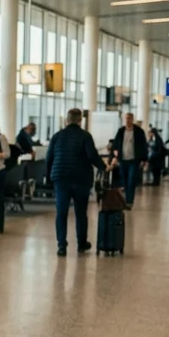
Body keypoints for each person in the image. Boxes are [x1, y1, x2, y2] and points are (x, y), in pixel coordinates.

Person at [46, 109, 108, 256]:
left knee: (61, 212)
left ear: (66, 120)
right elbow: (92, 155)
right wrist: (103, 167)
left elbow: (49, 158)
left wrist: (49, 176)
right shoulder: (85, 136)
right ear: (80, 121)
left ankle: (61, 245)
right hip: (81, 179)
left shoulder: (57, 136)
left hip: (61, 178)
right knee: (81, 212)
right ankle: (81, 243)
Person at [109, 112, 149, 209]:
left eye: (130, 119)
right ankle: (126, 200)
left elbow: (143, 146)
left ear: (132, 119)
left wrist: (144, 159)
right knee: (125, 180)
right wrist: (115, 152)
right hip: (123, 160)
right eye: (126, 119)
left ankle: (129, 201)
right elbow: (115, 143)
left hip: (133, 160)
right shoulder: (121, 131)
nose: (128, 121)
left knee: (131, 180)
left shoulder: (139, 132)